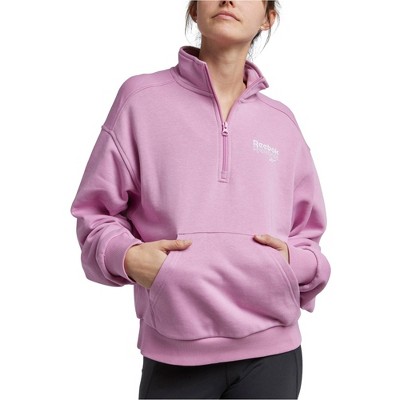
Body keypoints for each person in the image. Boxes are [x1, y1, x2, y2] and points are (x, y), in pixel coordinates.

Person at [71, 1, 331, 398]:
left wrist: (291, 265)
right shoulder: (141, 99)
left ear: (268, 18)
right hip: (175, 352)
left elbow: (308, 235)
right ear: (194, 10)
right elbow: (95, 212)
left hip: (273, 354)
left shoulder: (281, 123)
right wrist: (129, 257)